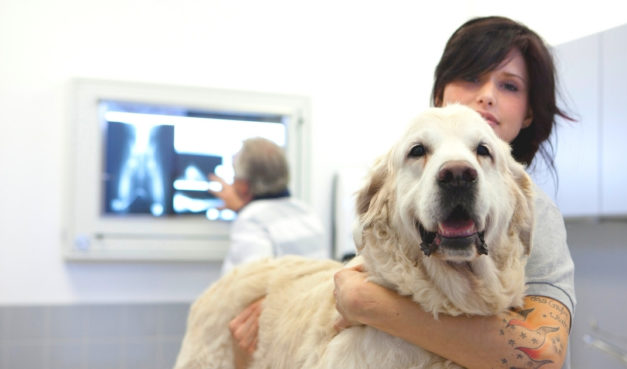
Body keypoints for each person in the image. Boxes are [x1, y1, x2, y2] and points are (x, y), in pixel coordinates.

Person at [230, 16, 576, 369]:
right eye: (472, 77)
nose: (487, 96)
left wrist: (367, 303)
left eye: (510, 86)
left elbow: (543, 359)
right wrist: (283, 305)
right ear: (440, 92)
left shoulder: (535, 209)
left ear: (529, 111)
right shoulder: (391, 194)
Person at [209, 137, 328, 275]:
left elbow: (251, 286)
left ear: (243, 186)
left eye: (234, 176)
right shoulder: (306, 211)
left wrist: (243, 211)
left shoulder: (250, 221)